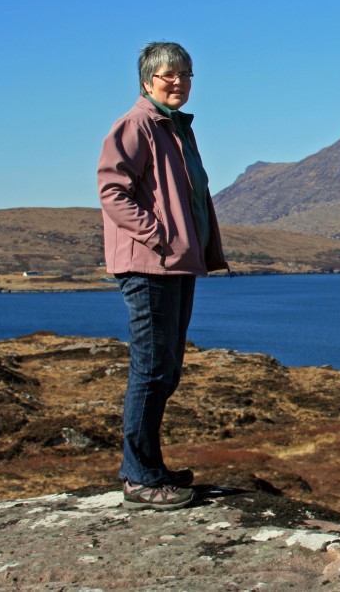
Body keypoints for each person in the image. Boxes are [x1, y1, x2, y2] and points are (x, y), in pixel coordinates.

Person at [97, 41, 227, 510]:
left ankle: (150, 466)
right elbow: (113, 189)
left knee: (166, 369)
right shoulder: (137, 124)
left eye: (186, 75)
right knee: (151, 368)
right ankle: (138, 476)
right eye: (169, 75)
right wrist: (159, 236)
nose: (178, 82)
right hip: (149, 263)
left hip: (176, 263)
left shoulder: (175, 129)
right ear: (147, 79)